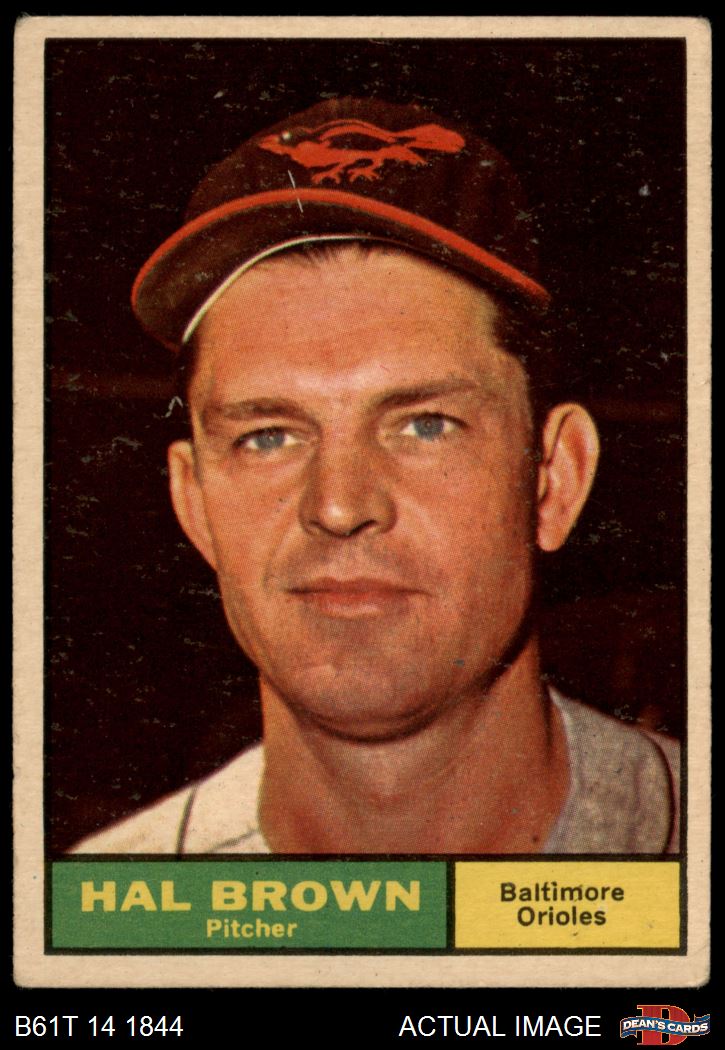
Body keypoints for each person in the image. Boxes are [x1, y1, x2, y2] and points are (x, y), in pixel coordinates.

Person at [72, 97, 679, 855]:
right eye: (268, 436)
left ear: (554, 480)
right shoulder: (106, 901)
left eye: (425, 425)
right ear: (195, 505)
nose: (338, 505)